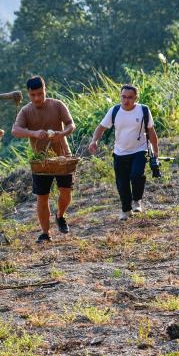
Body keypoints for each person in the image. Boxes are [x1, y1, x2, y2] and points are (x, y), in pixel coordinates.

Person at [11, 75, 75, 243]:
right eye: (33, 95)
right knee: (42, 196)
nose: (37, 98)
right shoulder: (25, 111)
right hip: (40, 160)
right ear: (28, 94)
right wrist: (32, 133)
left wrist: (62, 133)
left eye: (40, 94)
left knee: (66, 192)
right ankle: (45, 233)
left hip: (62, 156)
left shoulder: (58, 105)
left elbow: (71, 124)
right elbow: (15, 130)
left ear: (45, 90)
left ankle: (60, 215)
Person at [87, 84, 160, 222]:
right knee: (122, 183)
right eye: (124, 97)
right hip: (120, 153)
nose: (126, 101)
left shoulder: (143, 110)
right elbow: (101, 127)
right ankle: (126, 210)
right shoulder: (114, 110)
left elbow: (151, 131)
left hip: (140, 150)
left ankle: (137, 200)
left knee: (137, 174)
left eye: (130, 98)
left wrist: (155, 151)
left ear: (136, 98)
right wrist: (94, 141)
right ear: (120, 96)